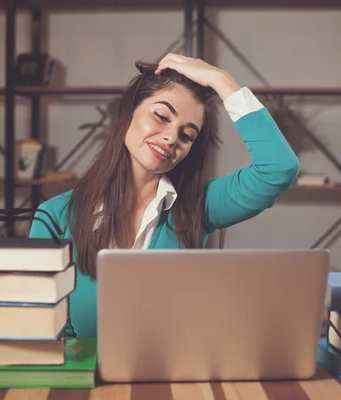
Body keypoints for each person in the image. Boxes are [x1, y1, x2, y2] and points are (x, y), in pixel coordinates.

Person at [29, 53, 300, 337]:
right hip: (90, 378)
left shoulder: (199, 207)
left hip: (175, 377)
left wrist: (219, 80)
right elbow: (48, 332)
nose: (171, 138)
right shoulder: (55, 217)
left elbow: (279, 169)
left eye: (187, 135)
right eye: (161, 116)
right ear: (128, 113)